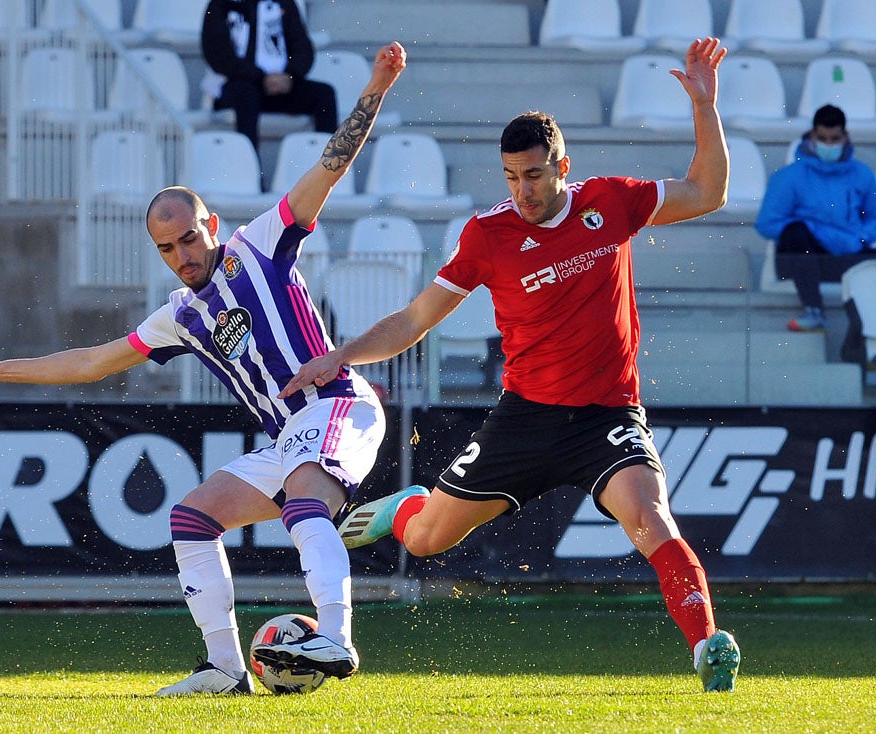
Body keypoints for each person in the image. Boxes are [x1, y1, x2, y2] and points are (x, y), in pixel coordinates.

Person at [280, 38, 742, 693]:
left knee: (650, 518)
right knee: (424, 542)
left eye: (534, 175)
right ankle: (409, 505)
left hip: (605, 417)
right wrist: (340, 354)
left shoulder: (610, 202)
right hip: (523, 418)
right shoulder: (488, 235)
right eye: (511, 177)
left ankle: (708, 648)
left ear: (562, 167)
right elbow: (414, 320)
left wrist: (704, 106)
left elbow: (707, 191)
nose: (522, 191)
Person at [0, 41, 407, 696]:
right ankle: (225, 669)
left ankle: (337, 636)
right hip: (291, 435)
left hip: (338, 404)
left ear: (211, 224)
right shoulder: (179, 315)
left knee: (306, 497)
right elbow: (91, 363)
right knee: (191, 518)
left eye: (190, 237)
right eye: (168, 247)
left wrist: (377, 88)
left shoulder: (260, 244)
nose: (183, 254)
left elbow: (327, 170)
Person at [755, 104, 876, 333]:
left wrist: (861, 237)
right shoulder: (790, 177)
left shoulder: (862, 175)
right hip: (804, 258)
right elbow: (767, 223)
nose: (828, 144)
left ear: (845, 136)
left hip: (844, 257)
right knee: (796, 232)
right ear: (812, 136)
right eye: (823, 138)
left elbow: (874, 217)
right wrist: (815, 230)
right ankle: (813, 311)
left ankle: (865, 338)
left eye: (834, 138)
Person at [202, 0, 338, 154]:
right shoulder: (221, 5)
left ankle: (327, 169)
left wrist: (290, 76)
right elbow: (218, 54)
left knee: (324, 94)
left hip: (281, 83)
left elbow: (303, 49)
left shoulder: (285, 4)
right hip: (236, 85)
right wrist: (260, 77)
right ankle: (250, 169)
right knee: (246, 94)